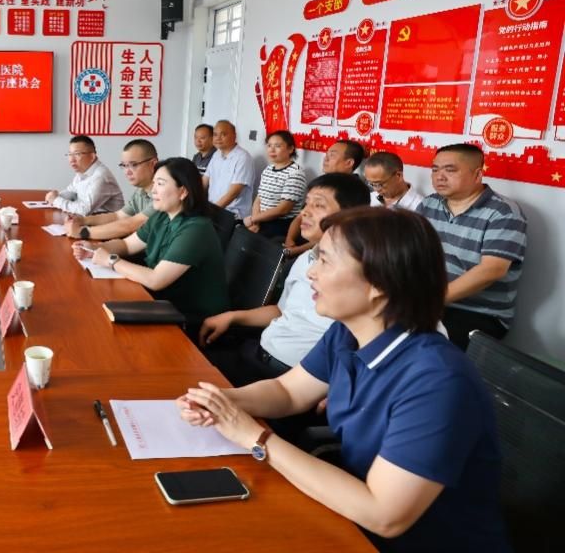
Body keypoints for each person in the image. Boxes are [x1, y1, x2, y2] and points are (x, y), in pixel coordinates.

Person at [177, 208, 508, 552]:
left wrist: (255, 437)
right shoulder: (348, 333)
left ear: (379, 284)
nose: (311, 272)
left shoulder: (438, 381)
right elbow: (288, 391)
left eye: (325, 260)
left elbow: (385, 515)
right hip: (347, 515)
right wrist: (223, 402)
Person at [199, 174, 371, 387]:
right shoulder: (306, 258)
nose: (304, 212)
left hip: (294, 379)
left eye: (318, 205)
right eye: (306, 203)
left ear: (350, 215)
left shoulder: (360, 276)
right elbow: (282, 310)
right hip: (258, 354)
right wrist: (232, 317)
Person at [73, 157, 227, 327]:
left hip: (190, 317)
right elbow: (127, 245)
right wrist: (95, 248)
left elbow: (156, 280)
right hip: (162, 302)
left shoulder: (196, 229)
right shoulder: (162, 216)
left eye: (160, 184)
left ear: (183, 192)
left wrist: (111, 260)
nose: (153, 190)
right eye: (154, 183)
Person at [417, 143, 526, 349]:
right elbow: (410, 249)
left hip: (478, 312)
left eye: (450, 170)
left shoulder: (503, 213)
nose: (439, 177)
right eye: (435, 170)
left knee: (424, 350)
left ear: (477, 174)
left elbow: (491, 270)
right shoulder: (429, 204)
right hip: (429, 298)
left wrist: (431, 300)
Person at [283, 139, 366, 256]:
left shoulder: (355, 192)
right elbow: (300, 216)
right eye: (326, 154)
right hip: (299, 241)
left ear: (349, 163)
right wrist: (289, 240)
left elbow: (333, 233)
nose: (325, 159)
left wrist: (296, 251)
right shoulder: (323, 182)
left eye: (332, 155)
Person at [66, 139, 158, 240]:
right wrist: (83, 220)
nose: (127, 172)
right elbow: (118, 216)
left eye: (134, 165)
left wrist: (81, 232)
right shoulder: (140, 191)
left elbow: (129, 225)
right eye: (124, 165)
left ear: (152, 164)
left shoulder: (162, 194)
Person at [244, 130, 306, 240]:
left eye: (277, 146)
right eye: (269, 145)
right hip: (262, 219)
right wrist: (256, 221)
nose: (272, 150)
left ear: (290, 149)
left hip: (281, 225)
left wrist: (253, 219)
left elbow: (283, 209)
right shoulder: (268, 169)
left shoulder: (295, 173)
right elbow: (259, 198)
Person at [45, 135, 125, 216]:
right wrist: (56, 196)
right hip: (91, 219)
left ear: (92, 156)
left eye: (77, 154)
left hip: (109, 222)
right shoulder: (82, 172)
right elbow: (72, 192)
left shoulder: (101, 177)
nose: (72, 159)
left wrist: (56, 200)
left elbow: (84, 210)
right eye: (70, 154)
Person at [203, 120, 256, 220]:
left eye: (223, 134)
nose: (218, 138)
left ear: (234, 136)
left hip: (233, 215)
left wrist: (211, 212)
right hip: (215, 209)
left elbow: (233, 193)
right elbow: (204, 182)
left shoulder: (243, 157)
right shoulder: (216, 154)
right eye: (215, 134)